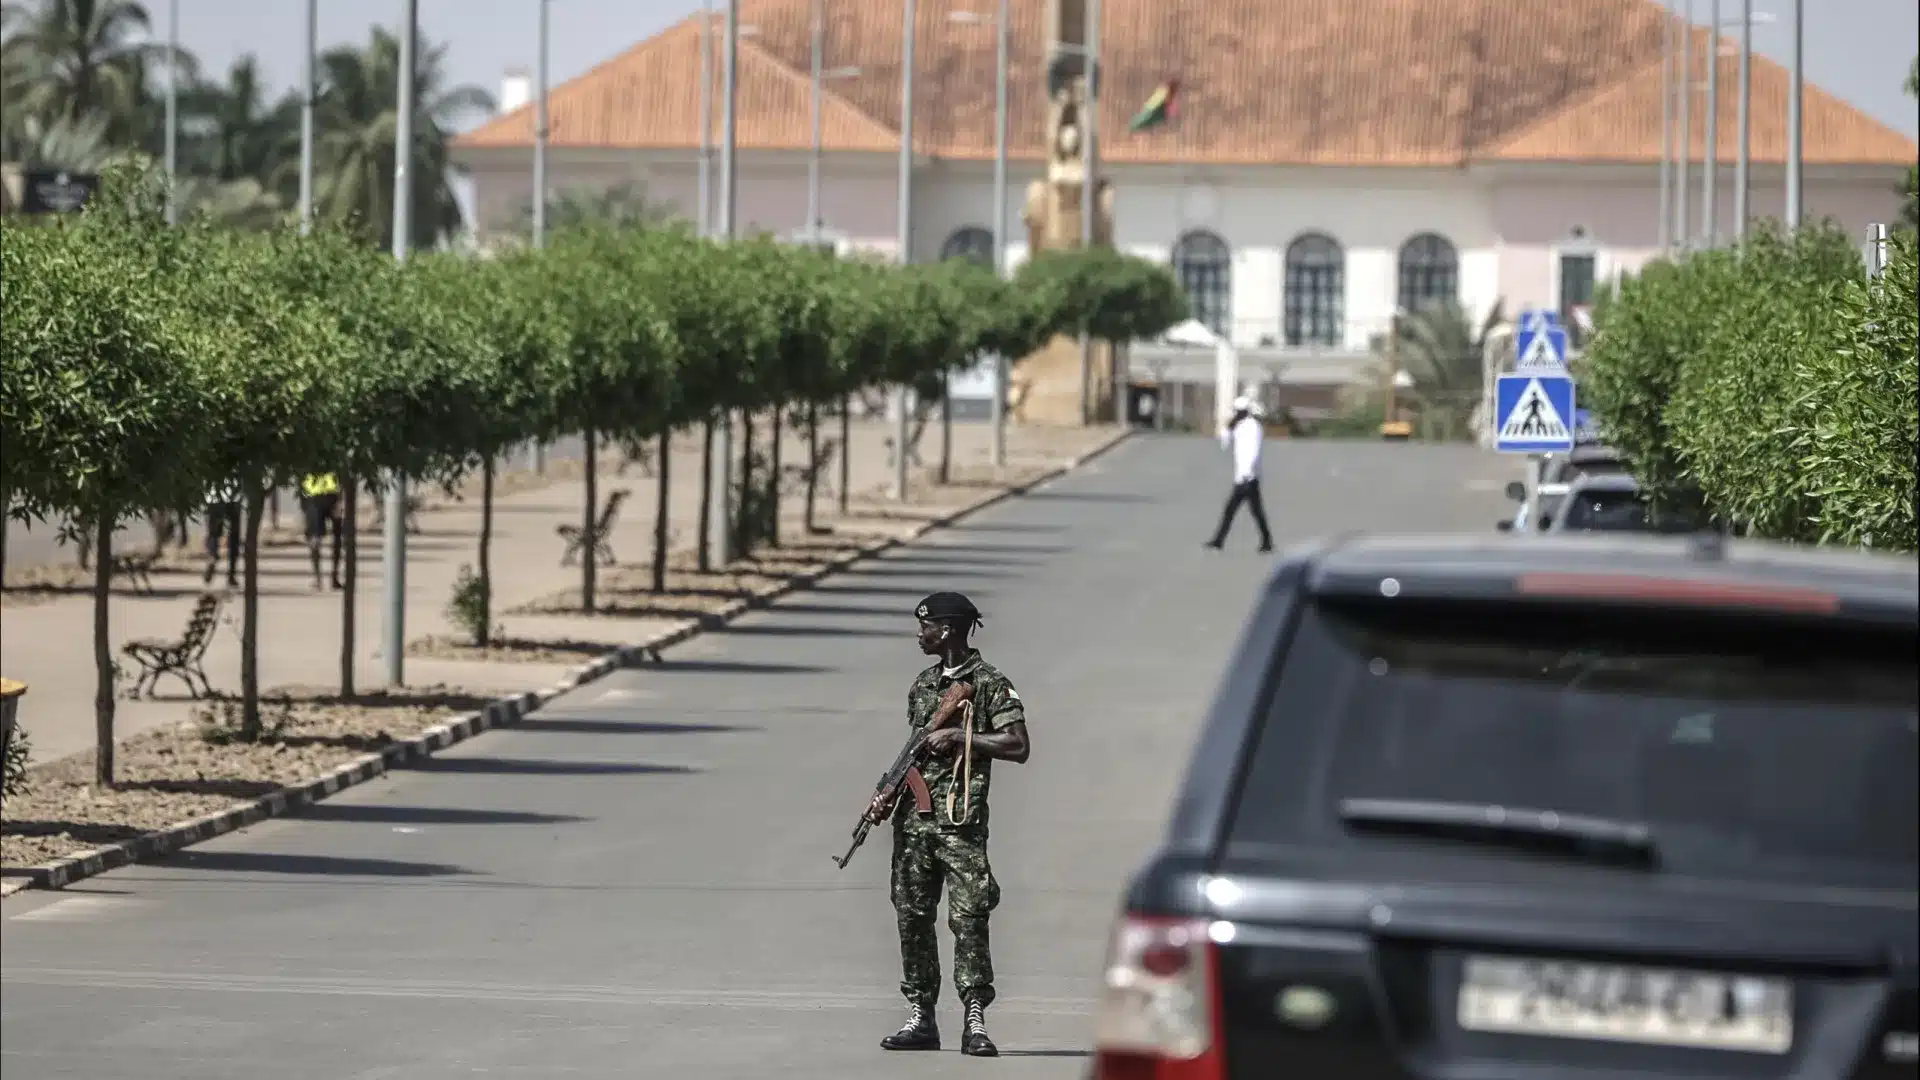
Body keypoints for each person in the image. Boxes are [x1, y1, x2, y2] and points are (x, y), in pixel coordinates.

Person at [867, 591, 1031, 1058]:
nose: (920, 634)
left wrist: (962, 737)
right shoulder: (922, 685)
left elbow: (1018, 745)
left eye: (927, 626)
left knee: (968, 919)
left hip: (960, 823)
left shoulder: (991, 683)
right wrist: (887, 794)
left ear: (950, 629)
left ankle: (975, 1017)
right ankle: (921, 1015)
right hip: (915, 824)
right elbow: (914, 755)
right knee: (912, 916)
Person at [1204, 394, 1274, 552]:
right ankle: (1267, 541)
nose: (1238, 413)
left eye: (1241, 411)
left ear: (1247, 410)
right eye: (1237, 411)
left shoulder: (1253, 426)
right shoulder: (1239, 425)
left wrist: (1247, 473)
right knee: (1256, 511)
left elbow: (1254, 451)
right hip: (1243, 476)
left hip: (1248, 477)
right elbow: (1224, 444)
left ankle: (1218, 541)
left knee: (1231, 510)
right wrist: (1228, 428)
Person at [298, 472, 343, 590]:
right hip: (331, 492)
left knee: (315, 538)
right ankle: (333, 576)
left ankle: (318, 578)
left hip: (313, 493)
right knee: (336, 538)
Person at [202, 477, 242, 587]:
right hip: (233, 495)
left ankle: (212, 555)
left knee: (213, 533)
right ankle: (231, 574)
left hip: (214, 495)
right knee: (234, 536)